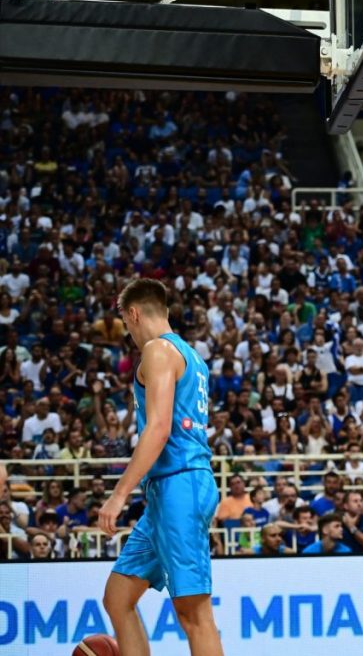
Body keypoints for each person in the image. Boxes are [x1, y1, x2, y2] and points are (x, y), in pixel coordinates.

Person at [97, 278, 223, 656]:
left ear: (133, 314)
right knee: (118, 596)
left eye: (126, 323)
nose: (129, 332)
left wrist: (119, 494)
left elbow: (159, 428)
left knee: (194, 613)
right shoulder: (191, 355)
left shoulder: (157, 350)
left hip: (179, 484)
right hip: (171, 489)